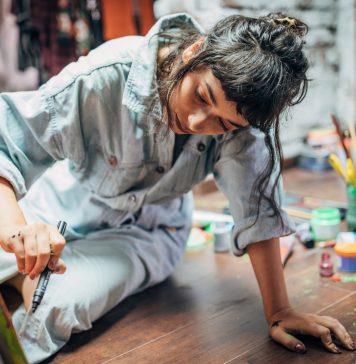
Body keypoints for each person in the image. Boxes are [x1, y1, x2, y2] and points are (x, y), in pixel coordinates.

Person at [0, 11, 354, 363]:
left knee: (60, 304)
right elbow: (8, 144)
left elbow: (258, 211)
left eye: (223, 122)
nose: (197, 122)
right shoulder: (106, 74)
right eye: (201, 96)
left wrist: (279, 310)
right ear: (194, 51)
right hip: (59, 206)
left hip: (149, 232)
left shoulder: (243, 130)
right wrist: (17, 228)